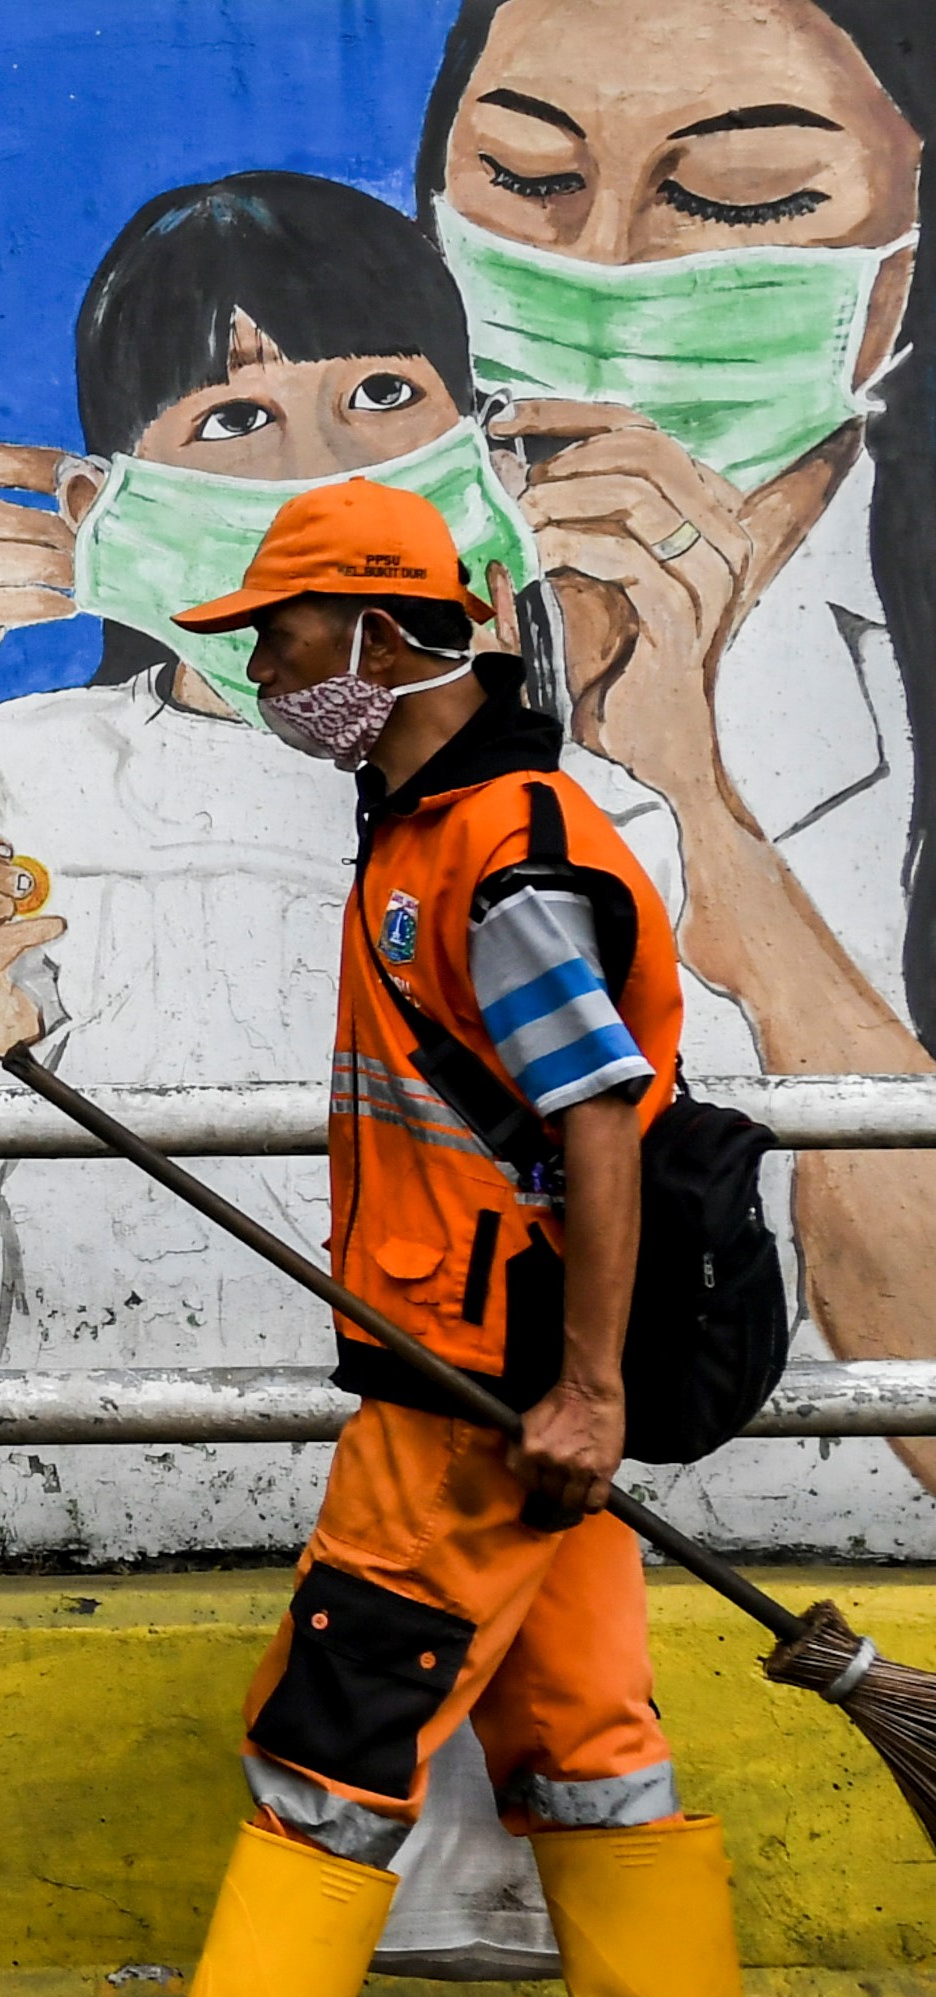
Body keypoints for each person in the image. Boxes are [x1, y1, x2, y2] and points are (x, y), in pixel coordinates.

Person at [0, 174, 736, 1567]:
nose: (318, 468)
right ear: (107, 506)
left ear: (483, 459)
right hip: (68, 1591)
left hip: (499, 1526)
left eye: (377, 398)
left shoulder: (589, 817)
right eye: (234, 417)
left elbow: (684, 1204)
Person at [0, 478, 757, 1997]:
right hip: (496, 1375)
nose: (266, 667)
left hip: (476, 1398)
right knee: (585, 1738)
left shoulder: (502, 852)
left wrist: (582, 1393)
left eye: (286, 631)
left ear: (387, 633)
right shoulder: (422, 829)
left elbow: (601, 1120)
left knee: (334, 1731)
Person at [419, 0, 936, 1503]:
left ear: (898, 280)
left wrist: (695, 801)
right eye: (524, 180)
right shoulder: (323, 637)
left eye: (739, 201)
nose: (607, 269)